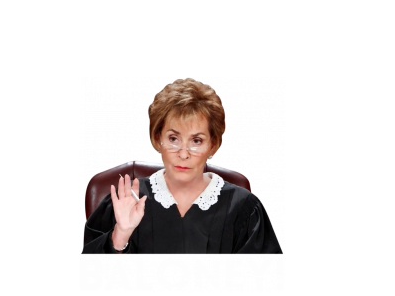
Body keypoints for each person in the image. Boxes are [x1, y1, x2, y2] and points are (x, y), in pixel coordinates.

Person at [82, 78, 284, 255]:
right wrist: (120, 236)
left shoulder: (243, 209)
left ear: (213, 145)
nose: (184, 154)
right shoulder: (125, 201)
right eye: (173, 138)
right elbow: (89, 278)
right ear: (157, 139)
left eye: (196, 141)